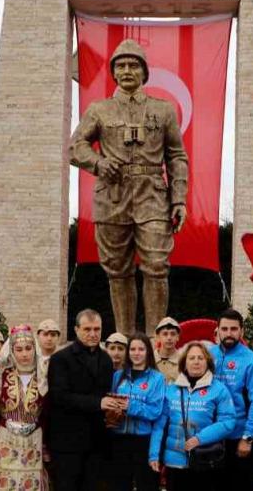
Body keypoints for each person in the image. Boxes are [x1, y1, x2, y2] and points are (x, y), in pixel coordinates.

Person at [69, 38, 190, 335]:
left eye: (133, 65)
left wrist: (179, 200)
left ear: (144, 72)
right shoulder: (99, 110)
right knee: (117, 270)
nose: (126, 70)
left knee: (157, 265)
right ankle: (124, 339)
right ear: (113, 72)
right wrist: (98, 163)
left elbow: (176, 156)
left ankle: (155, 340)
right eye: (120, 65)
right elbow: (75, 146)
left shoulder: (163, 110)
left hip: (152, 196)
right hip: (112, 195)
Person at [149, 341, 237, 490]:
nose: (196, 361)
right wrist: (154, 455)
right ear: (184, 363)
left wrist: (200, 438)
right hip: (175, 463)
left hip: (205, 461)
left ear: (207, 362)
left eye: (200, 358)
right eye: (192, 358)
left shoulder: (219, 389)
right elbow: (159, 426)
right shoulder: (171, 390)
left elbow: (228, 422)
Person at [47, 309, 117, 491]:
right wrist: (98, 403)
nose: (93, 334)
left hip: (97, 442)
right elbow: (59, 396)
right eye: (87, 329)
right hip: (67, 442)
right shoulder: (60, 359)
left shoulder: (107, 360)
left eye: (97, 329)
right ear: (76, 330)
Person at [209, 308, 253, 491]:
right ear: (217, 331)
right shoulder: (207, 355)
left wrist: (248, 438)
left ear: (241, 331)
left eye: (233, 329)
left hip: (239, 439)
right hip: (210, 437)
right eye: (224, 329)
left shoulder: (252, 360)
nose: (229, 333)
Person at [0, 324, 50, 490]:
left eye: (28, 348)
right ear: (11, 351)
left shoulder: (44, 376)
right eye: (19, 349)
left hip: (34, 439)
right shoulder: (1, 375)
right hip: (7, 438)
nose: (24, 354)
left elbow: (47, 412)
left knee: (31, 482)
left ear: (35, 348)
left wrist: (46, 443)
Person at [108, 332, 167, 491]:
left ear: (148, 351)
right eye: (132, 349)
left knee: (146, 484)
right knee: (119, 484)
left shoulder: (157, 378)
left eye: (141, 349)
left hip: (143, 440)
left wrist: (130, 406)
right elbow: (111, 402)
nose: (136, 353)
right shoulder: (118, 376)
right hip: (119, 438)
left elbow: (155, 411)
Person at [155, 317, 182, 382]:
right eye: (165, 334)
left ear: (178, 337)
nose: (169, 338)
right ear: (158, 337)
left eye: (173, 334)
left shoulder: (184, 360)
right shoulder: (149, 359)